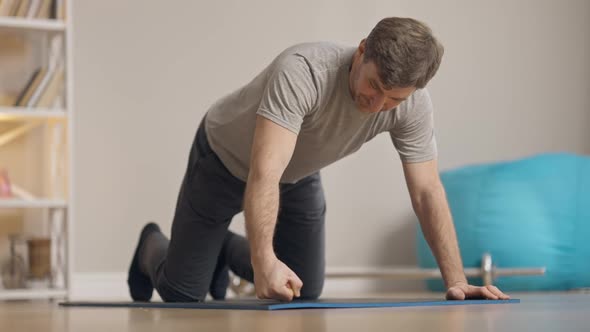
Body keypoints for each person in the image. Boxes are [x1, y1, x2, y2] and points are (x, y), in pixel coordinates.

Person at [127, 17, 510, 302]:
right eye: (373, 86)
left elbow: (427, 191)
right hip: (223, 159)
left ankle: (222, 247)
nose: (377, 105)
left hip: (298, 174)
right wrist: (263, 262)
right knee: (182, 295)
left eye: (393, 99)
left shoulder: (411, 105)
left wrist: (456, 280)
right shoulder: (303, 71)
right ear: (362, 51)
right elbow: (265, 172)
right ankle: (152, 244)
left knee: (303, 287)